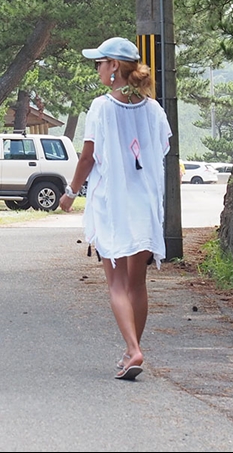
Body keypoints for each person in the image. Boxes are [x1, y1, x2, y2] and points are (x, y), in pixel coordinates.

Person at [58, 36, 172, 381]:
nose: (97, 68)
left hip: (115, 204)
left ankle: (133, 349)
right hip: (146, 204)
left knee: (117, 285)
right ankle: (131, 350)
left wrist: (70, 192)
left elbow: (88, 156)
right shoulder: (154, 109)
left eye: (100, 62)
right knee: (138, 283)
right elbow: (162, 148)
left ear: (113, 68)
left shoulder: (102, 107)